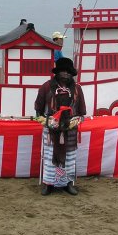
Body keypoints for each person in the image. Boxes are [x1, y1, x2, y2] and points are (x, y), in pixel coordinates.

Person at [35, 57, 86, 196]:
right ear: (57, 73)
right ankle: (48, 184)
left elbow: (82, 113)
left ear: (72, 74)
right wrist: (47, 121)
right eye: (62, 71)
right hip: (51, 130)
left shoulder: (77, 89)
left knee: (70, 158)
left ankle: (68, 183)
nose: (65, 74)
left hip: (70, 129)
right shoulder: (46, 86)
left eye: (68, 72)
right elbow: (38, 110)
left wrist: (74, 122)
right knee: (49, 157)